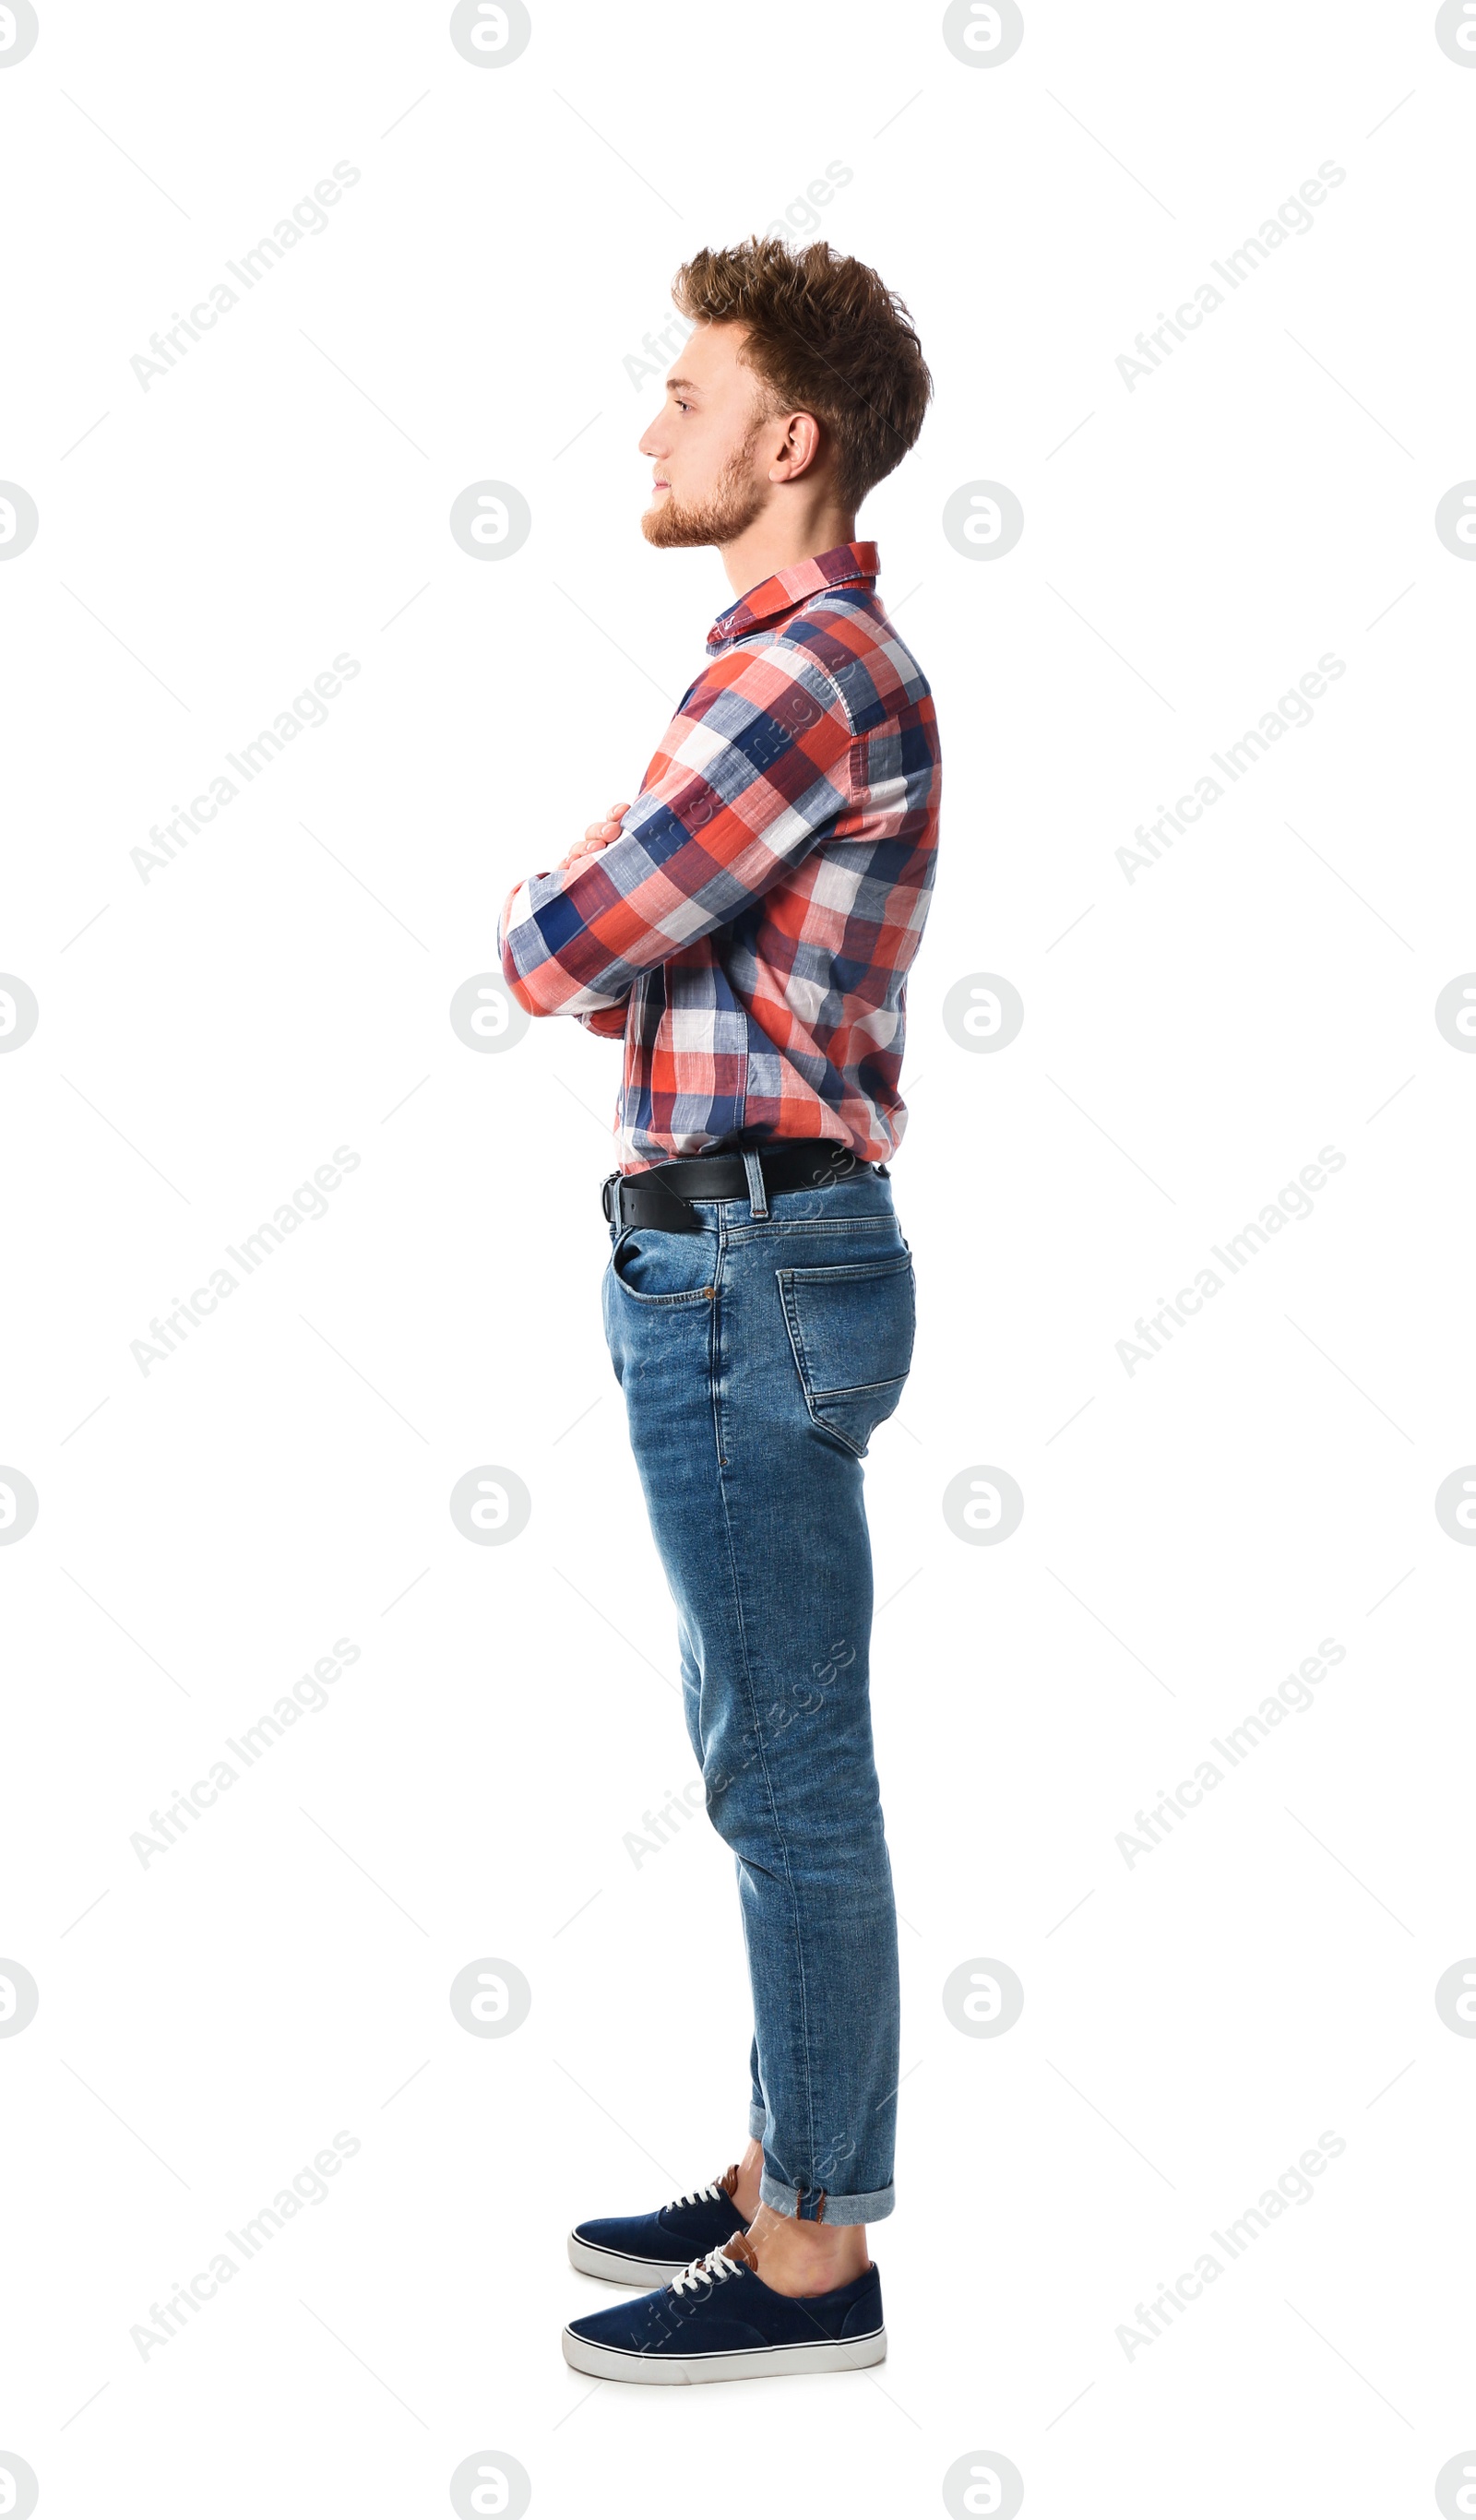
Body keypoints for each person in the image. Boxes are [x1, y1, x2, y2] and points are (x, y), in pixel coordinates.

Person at [497, 234, 940, 2383]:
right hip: (735, 1254)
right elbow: (640, 917)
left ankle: (810, 2267)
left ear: (788, 439)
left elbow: (573, 934)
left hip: (750, 1262)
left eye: (684, 401)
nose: (647, 430)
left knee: (788, 1778)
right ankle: (791, 2170)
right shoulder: (779, 664)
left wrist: (563, 885)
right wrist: (614, 886)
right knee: (761, 1753)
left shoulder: (793, 680)